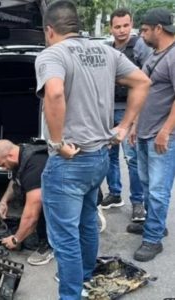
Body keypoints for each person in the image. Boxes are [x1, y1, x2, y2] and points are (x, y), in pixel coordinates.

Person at [34, 1, 151, 299]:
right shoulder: (106, 52)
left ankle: (70, 294)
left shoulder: (52, 54)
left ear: (50, 30)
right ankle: (84, 276)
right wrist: (123, 127)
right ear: (75, 25)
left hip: (70, 160)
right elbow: (142, 81)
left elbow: (55, 92)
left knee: (63, 237)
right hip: (99, 156)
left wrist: (58, 143)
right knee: (86, 220)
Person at [128, 8, 175, 262]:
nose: (141, 34)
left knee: (158, 189)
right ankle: (154, 225)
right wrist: (135, 124)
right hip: (146, 132)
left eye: (145, 29)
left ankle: (153, 239)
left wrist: (165, 131)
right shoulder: (154, 55)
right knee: (146, 184)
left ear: (159, 28)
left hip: (163, 136)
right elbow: (144, 92)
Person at [101, 8, 152, 223]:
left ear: (131, 25)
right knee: (108, 155)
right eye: (117, 26)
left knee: (131, 158)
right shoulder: (107, 49)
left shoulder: (139, 46)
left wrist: (138, 116)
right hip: (107, 109)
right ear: (110, 28)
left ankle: (138, 202)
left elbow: (148, 79)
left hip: (129, 110)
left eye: (125, 25)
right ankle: (114, 193)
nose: (122, 30)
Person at [0, 139, 53, 266]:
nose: (3, 169)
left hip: (70, 197)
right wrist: (3, 202)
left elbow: (32, 214)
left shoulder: (35, 167)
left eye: (2, 164)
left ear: (10, 156)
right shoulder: (20, 153)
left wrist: (15, 239)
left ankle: (49, 245)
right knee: (28, 234)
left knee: (39, 208)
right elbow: (16, 180)